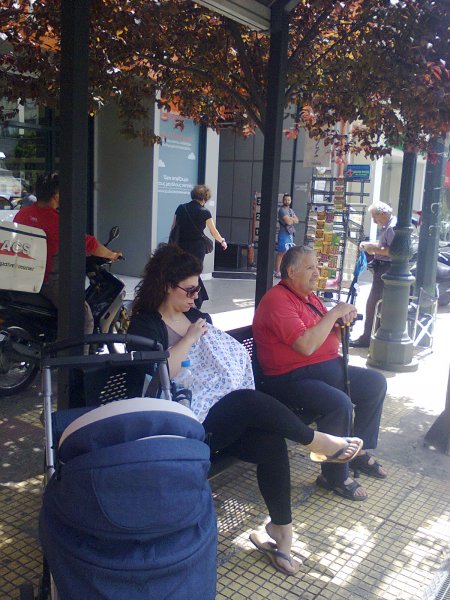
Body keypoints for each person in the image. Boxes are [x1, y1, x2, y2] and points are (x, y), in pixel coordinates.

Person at [127, 244, 363, 576]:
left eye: (198, 289)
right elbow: (157, 378)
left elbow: (220, 362)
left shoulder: (197, 317)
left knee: (270, 441)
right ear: (166, 285)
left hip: (217, 414)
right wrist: (190, 339)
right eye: (190, 290)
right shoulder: (144, 326)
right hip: (179, 426)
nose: (196, 297)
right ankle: (316, 441)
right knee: (247, 402)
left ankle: (281, 531)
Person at [253, 245, 388, 502]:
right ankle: (333, 476)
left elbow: (323, 332)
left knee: (375, 383)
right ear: (291, 272)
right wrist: (335, 313)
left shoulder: (309, 298)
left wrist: (341, 319)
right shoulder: (277, 300)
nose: (317, 273)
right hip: (288, 378)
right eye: (310, 268)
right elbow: (305, 345)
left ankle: (357, 451)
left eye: (317, 267)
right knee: (339, 404)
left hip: (322, 369)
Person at [14, 173, 122, 333]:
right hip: (46, 280)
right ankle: (79, 350)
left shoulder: (22, 214)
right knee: (84, 318)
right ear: (56, 196)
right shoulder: (57, 221)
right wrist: (111, 255)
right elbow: (89, 243)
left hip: (22, 274)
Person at [169, 184, 227, 309]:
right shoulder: (204, 212)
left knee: (185, 271)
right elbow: (213, 231)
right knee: (194, 272)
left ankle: (195, 297)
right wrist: (222, 241)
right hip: (197, 247)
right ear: (205, 198)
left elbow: (173, 227)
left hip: (181, 246)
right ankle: (199, 298)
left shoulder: (181, 208)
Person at [350, 201, 397, 348]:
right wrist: (372, 245)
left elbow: (393, 251)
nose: (374, 220)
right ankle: (371, 336)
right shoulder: (388, 226)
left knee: (374, 304)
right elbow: (386, 245)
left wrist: (373, 248)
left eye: (374, 217)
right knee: (376, 304)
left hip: (386, 268)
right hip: (384, 268)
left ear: (382, 214)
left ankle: (367, 337)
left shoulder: (391, 227)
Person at [274, 193, 299, 278]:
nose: (287, 201)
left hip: (290, 234)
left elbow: (297, 220)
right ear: (283, 200)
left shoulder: (291, 210)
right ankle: (277, 271)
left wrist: (291, 219)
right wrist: (292, 219)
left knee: (288, 253)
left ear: (291, 201)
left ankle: (284, 270)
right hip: (283, 234)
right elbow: (288, 222)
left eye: (288, 200)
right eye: (285, 200)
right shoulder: (282, 210)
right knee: (281, 252)